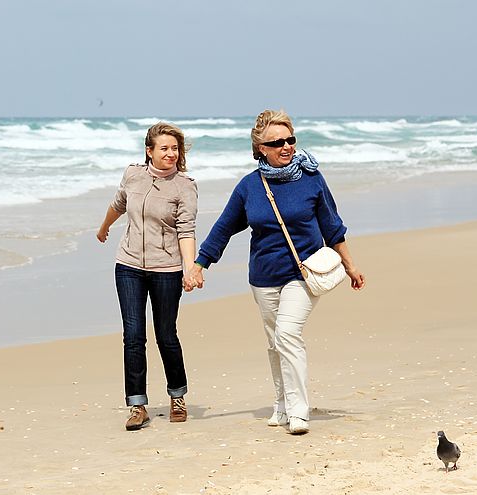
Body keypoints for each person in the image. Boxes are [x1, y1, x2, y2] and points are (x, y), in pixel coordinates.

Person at [191, 109, 365, 435]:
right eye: (277, 142)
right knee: (275, 342)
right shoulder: (249, 187)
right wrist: (200, 264)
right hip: (263, 276)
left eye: (290, 139)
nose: (286, 147)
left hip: (303, 273)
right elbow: (224, 228)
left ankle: (299, 412)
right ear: (260, 149)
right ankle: (282, 403)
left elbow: (333, 226)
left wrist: (351, 266)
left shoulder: (311, 179)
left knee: (287, 334)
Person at [97, 122, 200, 431]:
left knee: (166, 335)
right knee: (133, 335)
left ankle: (177, 396)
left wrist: (190, 267)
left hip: (166, 269)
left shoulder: (185, 186)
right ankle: (137, 405)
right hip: (128, 265)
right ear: (149, 151)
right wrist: (103, 228)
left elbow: (186, 230)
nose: (171, 153)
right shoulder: (133, 175)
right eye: (164, 148)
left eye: (174, 148)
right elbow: (118, 204)